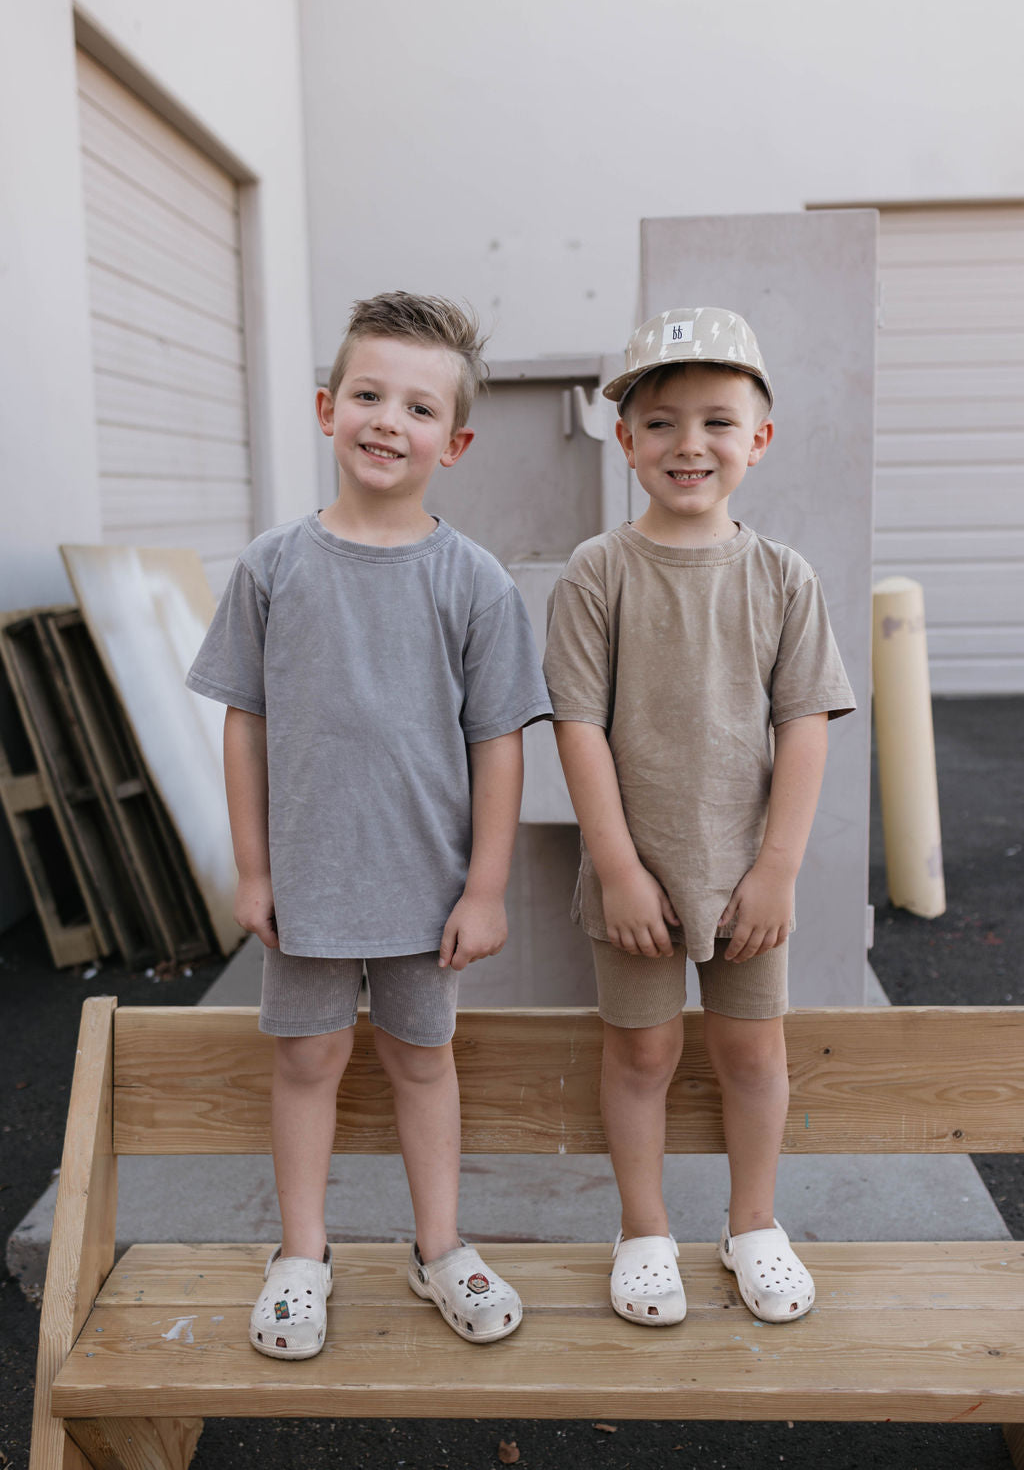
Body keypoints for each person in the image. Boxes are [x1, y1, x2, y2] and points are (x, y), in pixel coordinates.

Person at [187, 292, 550, 1359]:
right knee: (305, 1063)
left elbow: (498, 742)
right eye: (368, 394)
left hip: (424, 890)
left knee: (420, 1063)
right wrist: (251, 870)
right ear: (325, 407)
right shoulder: (272, 567)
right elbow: (244, 726)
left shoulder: (474, 582)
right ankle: (302, 1253)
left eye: (419, 405)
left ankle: (439, 1246)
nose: (389, 419)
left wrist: (485, 887)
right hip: (307, 884)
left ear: (457, 437)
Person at [544, 306, 855, 1327]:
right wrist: (621, 867)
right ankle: (642, 1230)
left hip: (746, 877)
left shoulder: (783, 576)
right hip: (635, 872)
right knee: (639, 1053)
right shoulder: (599, 570)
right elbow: (579, 727)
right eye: (662, 421)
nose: (690, 444)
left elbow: (803, 724)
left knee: (752, 1053)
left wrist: (776, 868)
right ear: (626, 439)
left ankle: (753, 1224)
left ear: (756, 441)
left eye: (717, 421)